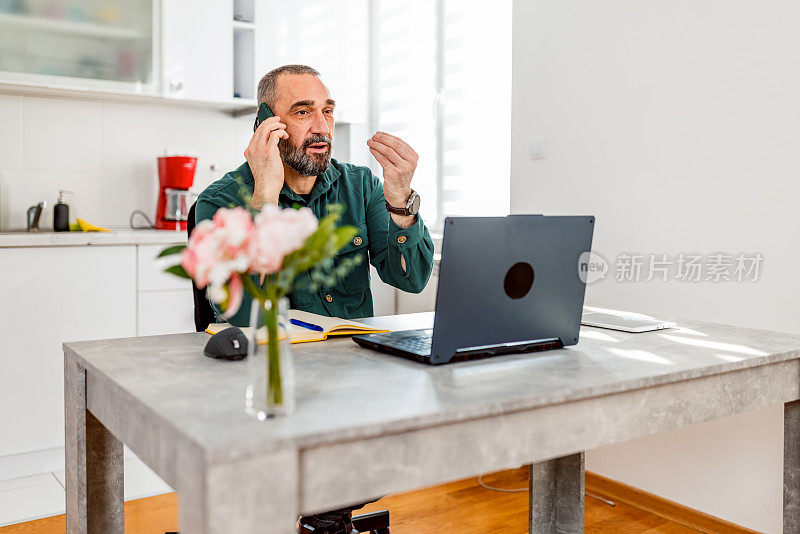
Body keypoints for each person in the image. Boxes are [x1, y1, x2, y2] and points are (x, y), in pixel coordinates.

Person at [195, 64, 435, 533]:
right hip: (267, 390)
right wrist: (265, 195)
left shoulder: (361, 185)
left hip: (351, 388)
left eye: (327, 110)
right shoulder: (220, 200)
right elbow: (239, 315)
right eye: (303, 111)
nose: (322, 126)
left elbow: (412, 278)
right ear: (267, 123)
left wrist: (401, 197)